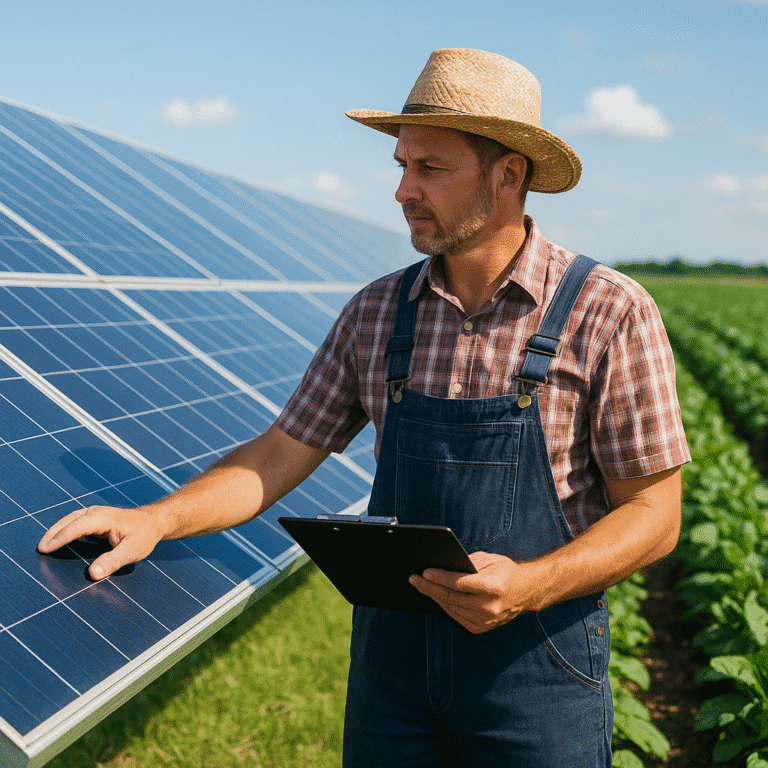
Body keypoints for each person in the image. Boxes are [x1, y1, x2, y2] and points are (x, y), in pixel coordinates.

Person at [39, 48, 690, 766]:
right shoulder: (379, 312)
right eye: (401, 165)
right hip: (394, 674)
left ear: (508, 175)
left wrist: (530, 586)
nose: (403, 190)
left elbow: (654, 517)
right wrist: (156, 518)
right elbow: (279, 451)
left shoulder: (608, 312)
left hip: (535, 672)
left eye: (431, 169)